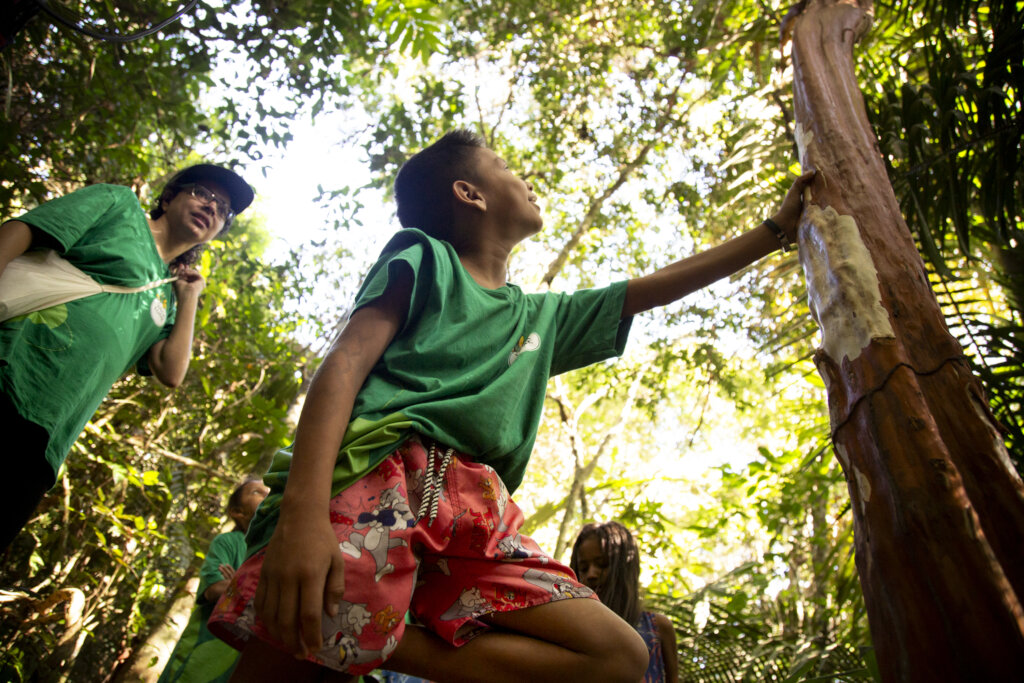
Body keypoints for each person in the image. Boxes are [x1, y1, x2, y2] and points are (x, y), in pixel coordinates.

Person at [208, 129, 813, 682]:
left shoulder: (541, 319)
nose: (524, 178)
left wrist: (775, 232)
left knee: (617, 655)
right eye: (505, 166)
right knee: (292, 643)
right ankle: (346, 628)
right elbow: (342, 367)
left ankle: (371, 635)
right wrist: (304, 517)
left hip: (479, 513)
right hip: (378, 476)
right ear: (469, 193)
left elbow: (655, 289)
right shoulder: (424, 257)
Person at [0, 164, 254, 550]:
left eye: (224, 210)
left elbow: (171, 372)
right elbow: (26, 229)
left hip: (50, 431)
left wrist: (190, 298)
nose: (212, 207)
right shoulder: (117, 205)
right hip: (8, 372)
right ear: (169, 197)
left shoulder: (168, 298)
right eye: (203, 193)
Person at [159, 478, 271, 683]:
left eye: (270, 492)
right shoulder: (228, 542)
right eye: (257, 492)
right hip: (204, 650)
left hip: (242, 657)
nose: (267, 495)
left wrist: (238, 583)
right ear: (237, 512)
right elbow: (214, 589)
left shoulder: (274, 550)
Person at [570, 521, 678, 683]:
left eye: (602, 565)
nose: (591, 574)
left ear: (625, 568)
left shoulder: (658, 628)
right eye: (584, 568)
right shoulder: (572, 628)